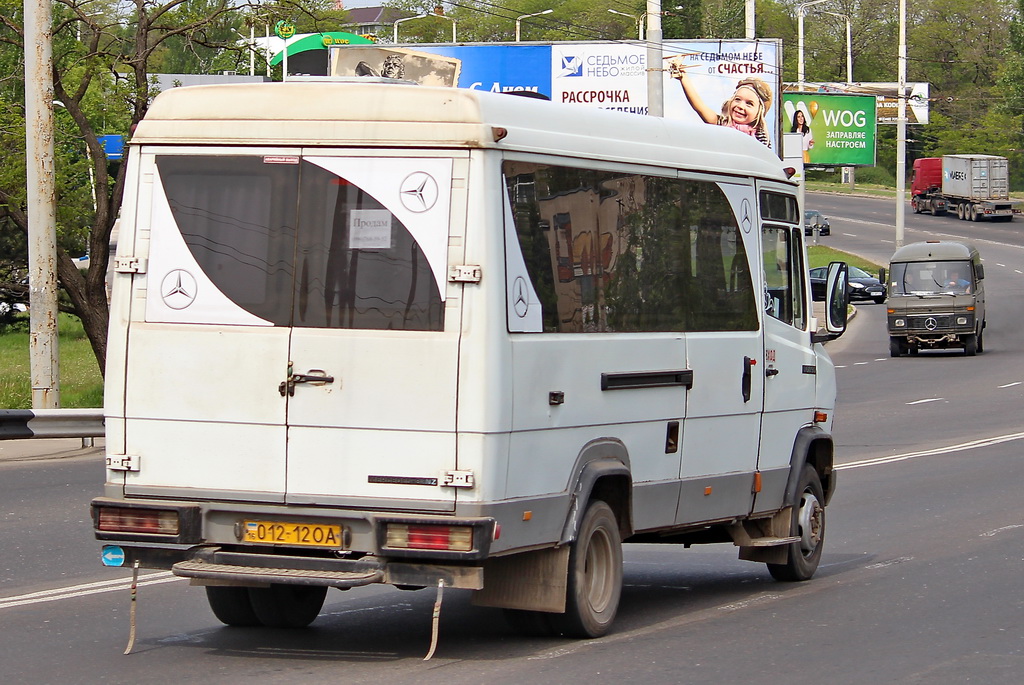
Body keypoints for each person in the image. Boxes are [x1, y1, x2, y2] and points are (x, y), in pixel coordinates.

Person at [668, 58, 773, 149]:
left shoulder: (760, 136)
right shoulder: (721, 123)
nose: (740, 106)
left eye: (749, 104)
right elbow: (700, 107)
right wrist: (684, 78)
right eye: (737, 99)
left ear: (759, 112)